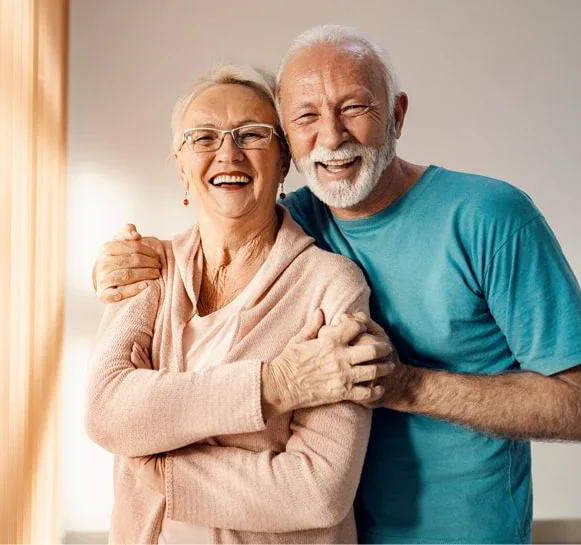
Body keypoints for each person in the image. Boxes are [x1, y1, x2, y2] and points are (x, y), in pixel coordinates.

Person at [92, 25, 581, 544]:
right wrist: (118, 265)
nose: (331, 137)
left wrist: (408, 386)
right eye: (306, 116)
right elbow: (227, 215)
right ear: (289, 140)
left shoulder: (489, 218)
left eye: (354, 108)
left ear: (396, 115)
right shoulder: (298, 219)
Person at [85, 64, 395, 544]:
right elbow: (105, 412)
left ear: (283, 160)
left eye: (251, 135)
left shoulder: (332, 285)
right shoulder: (148, 268)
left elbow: (318, 491)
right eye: (203, 138)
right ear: (181, 166)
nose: (227, 153)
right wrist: (278, 384)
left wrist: (165, 472)